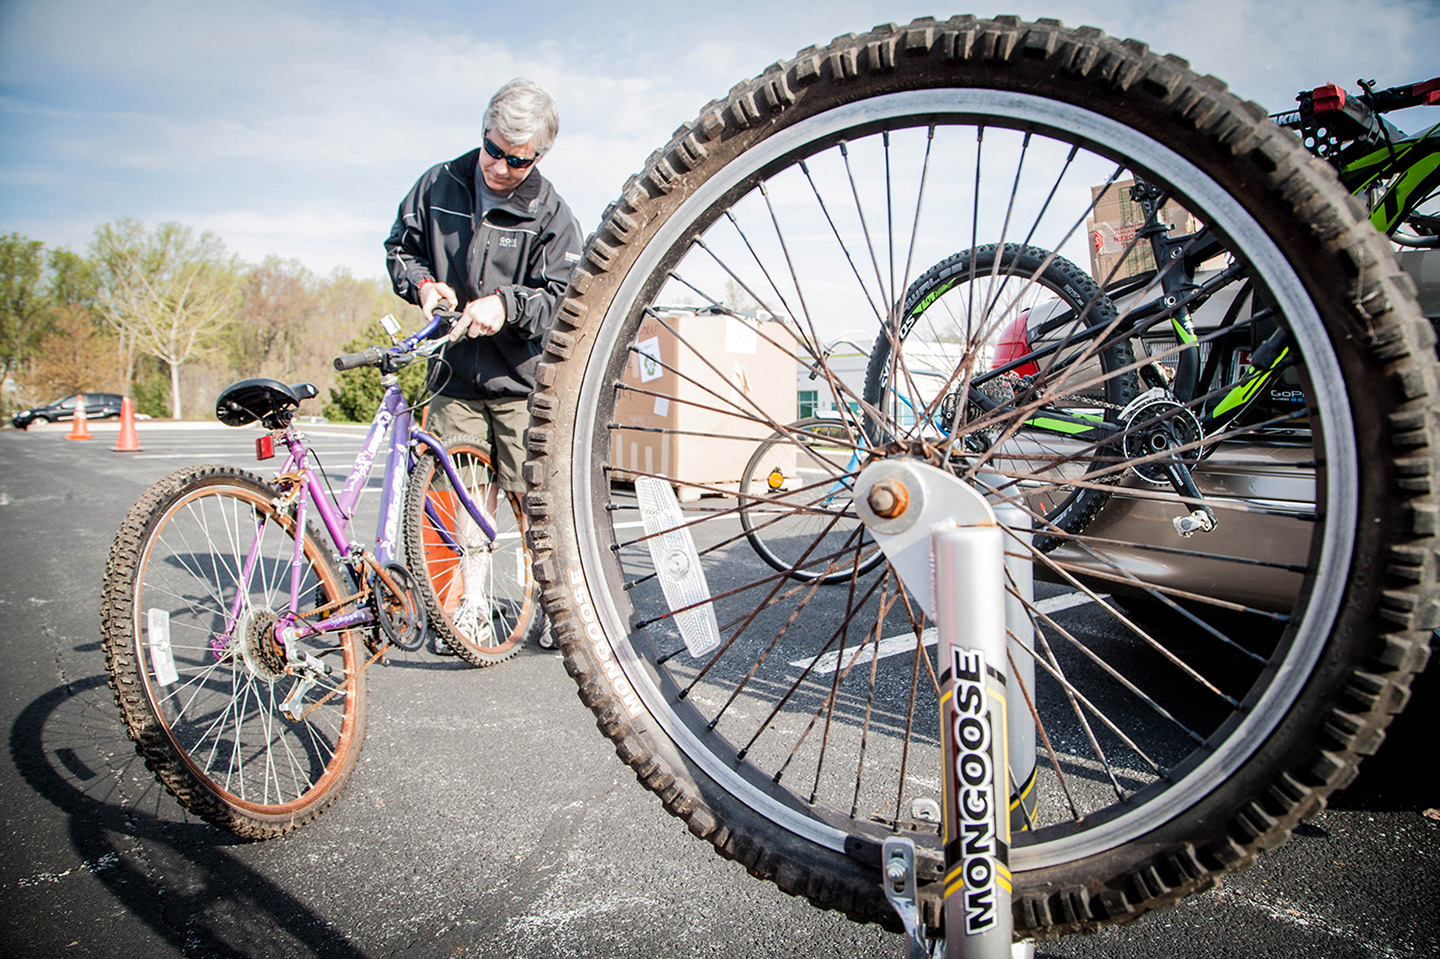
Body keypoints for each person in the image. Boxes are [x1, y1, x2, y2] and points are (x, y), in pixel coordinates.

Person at [385, 78, 583, 651]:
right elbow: (401, 248)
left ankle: (550, 605)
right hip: (454, 376)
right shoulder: (438, 184)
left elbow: (565, 299)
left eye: (516, 161)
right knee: (464, 499)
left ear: (539, 156)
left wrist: (508, 305)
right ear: (484, 132)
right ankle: (467, 607)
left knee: (533, 500)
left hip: (524, 383)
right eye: (493, 150)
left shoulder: (552, 213)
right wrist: (422, 284)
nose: (498, 167)